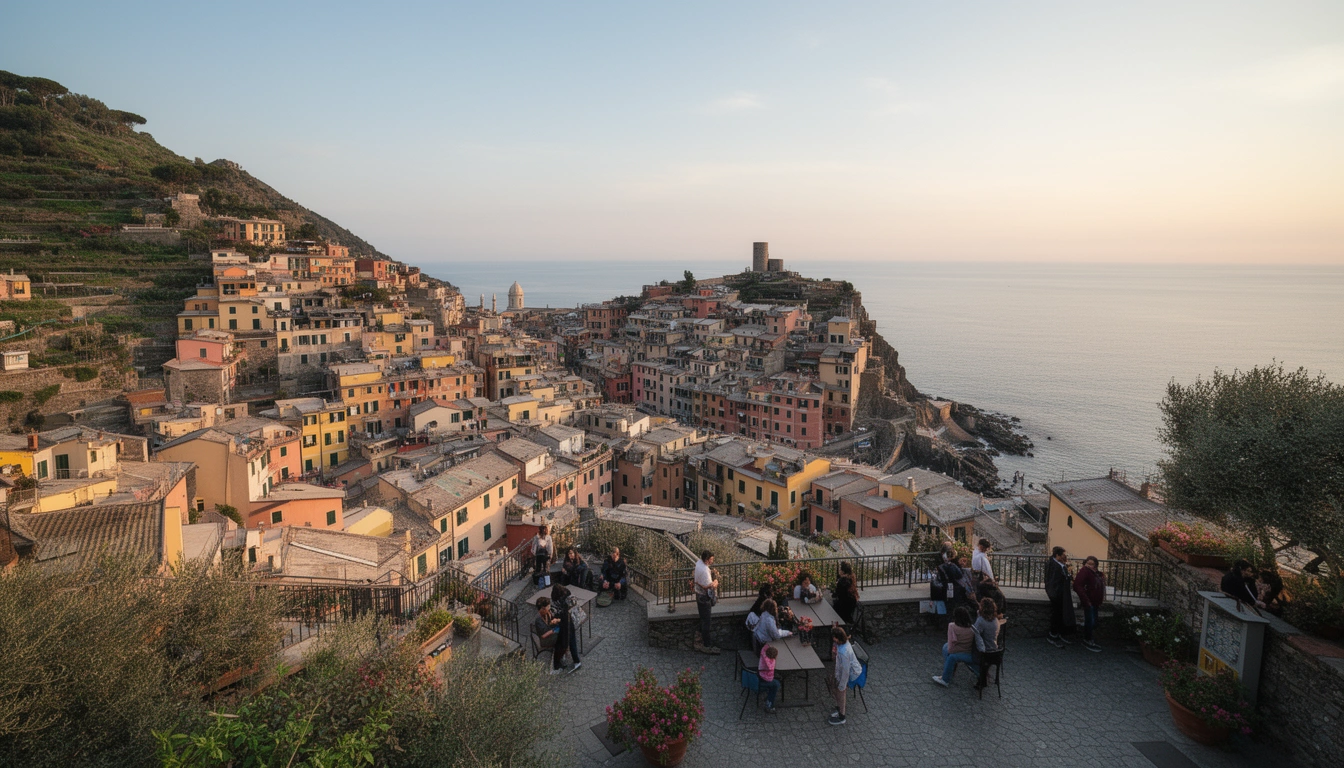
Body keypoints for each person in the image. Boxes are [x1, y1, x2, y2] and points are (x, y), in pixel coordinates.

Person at [932, 606, 978, 687]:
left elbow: (950, 648)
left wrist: (950, 653)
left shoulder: (952, 626)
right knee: (946, 647)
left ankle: (945, 678)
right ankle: (949, 670)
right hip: (968, 650)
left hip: (960, 650)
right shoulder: (971, 628)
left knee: (949, 653)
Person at [826, 626, 863, 726]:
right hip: (843, 671)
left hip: (852, 674)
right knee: (834, 687)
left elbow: (845, 671)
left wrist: (842, 684)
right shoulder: (842, 643)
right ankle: (839, 708)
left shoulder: (845, 652)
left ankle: (842, 716)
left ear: (838, 638)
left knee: (840, 692)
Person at [1044, 546, 1076, 647]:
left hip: (1061, 594)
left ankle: (1058, 634)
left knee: (1060, 614)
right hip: (1057, 595)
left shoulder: (1058, 564)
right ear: (1057, 555)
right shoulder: (1054, 566)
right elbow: (1052, 582)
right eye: (1063, 555)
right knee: (1056, 615)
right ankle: (1053, 635)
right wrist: (1054, 594)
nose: (1065, 557)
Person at [1073, 556, 1106, 652]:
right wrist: (1085, 599)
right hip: (1089, 601)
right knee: (1090, 621)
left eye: (1092, 564)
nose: (1089, 565)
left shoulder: (1097, 573)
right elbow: (1077, 585)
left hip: (1095, 601)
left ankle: (1088, 638)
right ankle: (1087, 639)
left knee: (1093, 621)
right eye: (1088, 563)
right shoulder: (1085, 571)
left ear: (1095, 565)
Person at [971, 597, 1003, 692]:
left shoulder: (981, 621)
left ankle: (981, 676)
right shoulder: (996, 620)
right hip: (995, 651)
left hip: (984, 653)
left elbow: (974, 632)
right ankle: (984, 674)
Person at [693, 550, 721, 654]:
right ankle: (706, 645)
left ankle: (698, 641)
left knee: (703, 619)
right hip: (704, 598)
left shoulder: (698, 563)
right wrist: (716, 582)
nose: (712, 561)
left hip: (698, 595)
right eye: (711, 559)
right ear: (706, 560)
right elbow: (708, 586)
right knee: (706, 621)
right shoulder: (705, 571)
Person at [550, 584, 581, 673]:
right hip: (567, 622)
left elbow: (554, 611)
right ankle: (575, 660)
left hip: (562, 623)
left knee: (565, 642)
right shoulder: (566, 594)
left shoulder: (555, 599)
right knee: (571, 641)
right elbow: (573, 603)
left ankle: (567, 659)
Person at [758, 644, 781, 714]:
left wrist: (768, 645)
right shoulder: (771, 665)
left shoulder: (763, 654)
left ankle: (768, 696)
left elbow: (764, 647)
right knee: (776, 685)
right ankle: (769, 705)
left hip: (759, 675)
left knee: (774, 684)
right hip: (764, 680)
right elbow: (770, 679)